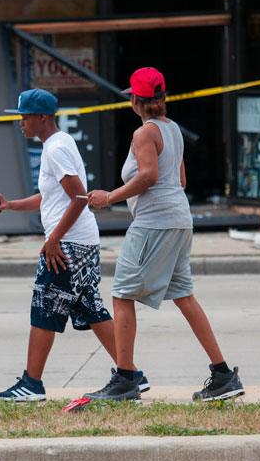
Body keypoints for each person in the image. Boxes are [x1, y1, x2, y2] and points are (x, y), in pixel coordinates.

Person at [84, 67, 244, 402]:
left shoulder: (145, 134)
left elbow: (149, 176)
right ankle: (223, 374)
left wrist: (109, 198)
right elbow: (180, 181)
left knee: (122, 294)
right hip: (178, 220)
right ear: (162, 98)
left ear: (135, 101)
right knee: (184, 295)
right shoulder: (173, 131)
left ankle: (125, 379)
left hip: (154, 223)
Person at [0, 88, 148, 402]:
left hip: (69, 244)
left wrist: (53, 239)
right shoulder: (59, 144)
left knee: (44, 307)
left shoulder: (55, 149)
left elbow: (78, 198)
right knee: (90, 309)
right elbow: (52, 197)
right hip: (81, 241)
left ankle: (31, 384)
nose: (21, 123)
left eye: (24, 117)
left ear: (41, 117)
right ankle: (131, 375)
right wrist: (10, 206)